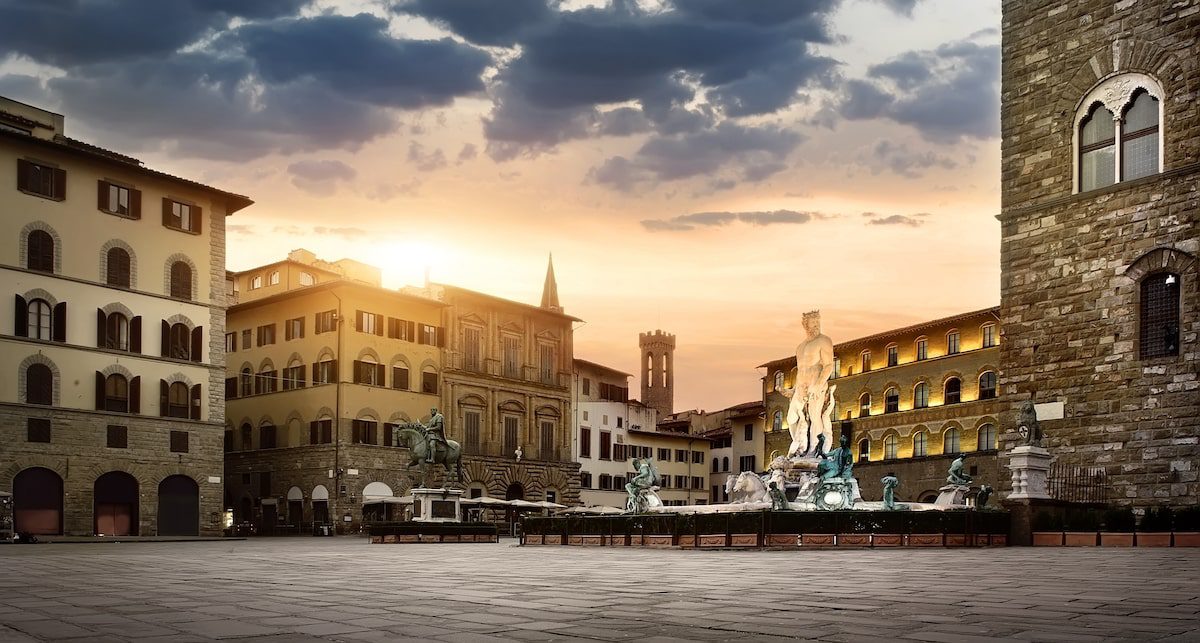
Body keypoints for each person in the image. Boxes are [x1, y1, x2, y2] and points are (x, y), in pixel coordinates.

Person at [785, 311, 835, 457]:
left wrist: (818, 384)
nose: (816, 326)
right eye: (813, 323)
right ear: (805, 325)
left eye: (818, 322)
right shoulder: (800, 347)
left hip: (816, 384)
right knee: (791, 418)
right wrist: (793, 389)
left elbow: (828, 365)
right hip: (801, 387)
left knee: (814, 417)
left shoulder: (824, 341)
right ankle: (799, 446)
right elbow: (801, 370)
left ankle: (812, 451)